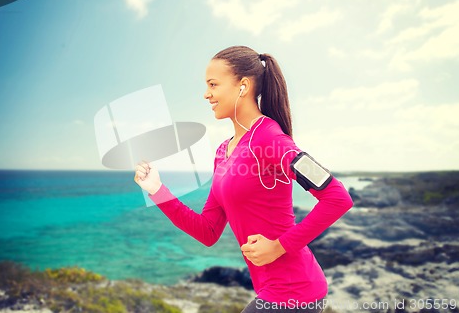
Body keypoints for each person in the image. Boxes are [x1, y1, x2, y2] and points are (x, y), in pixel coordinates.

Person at [134, 45, 353, 313]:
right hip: (271, 291)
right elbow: (208, 231)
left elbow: (338, 198)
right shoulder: (222, 153)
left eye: (213, 84)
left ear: (243, 86)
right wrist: (158, 190)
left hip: (296, 292)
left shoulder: (271, 139)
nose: (206, 94)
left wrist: (280, 247)